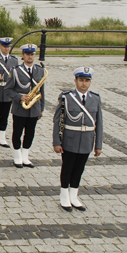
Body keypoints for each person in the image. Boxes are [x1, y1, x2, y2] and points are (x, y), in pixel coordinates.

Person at [52, 67, 103, 212]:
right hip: (70, 139)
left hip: (86, 140)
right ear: (75, 80)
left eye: (87, 81)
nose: (84, 84)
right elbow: (57, 121)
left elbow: (99, 123)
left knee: (79, 169)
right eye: (81, 80)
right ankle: (64, 195)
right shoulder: (66, 97)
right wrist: (56, 142)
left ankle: (74, 195)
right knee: (67, 168)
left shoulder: (95, 98)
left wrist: (98, 145)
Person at [4, 44, 45, 168]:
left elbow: (43, 91)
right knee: (17, 133)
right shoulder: (15, 70)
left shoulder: (40, 70)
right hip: (20, 108)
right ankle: (17, 157)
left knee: (30, 133)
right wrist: (19, 97)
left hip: (34, 108)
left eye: (32, 54)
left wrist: (41, 108)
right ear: (23, 55)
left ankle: (25, 156)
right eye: (27, 54)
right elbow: (8, 90)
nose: (30, 56)